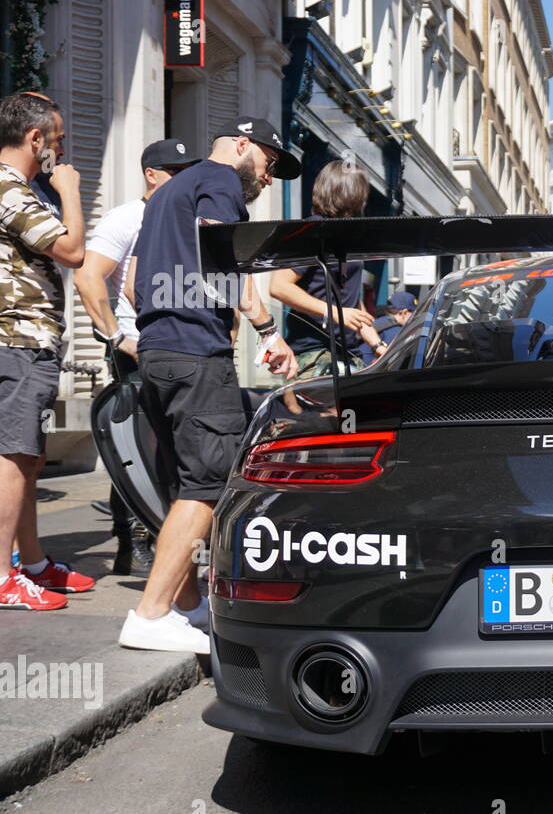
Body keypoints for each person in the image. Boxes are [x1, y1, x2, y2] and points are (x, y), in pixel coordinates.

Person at [118, 115, 300, 653]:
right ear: (242, 146)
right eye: (268, 163)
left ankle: (187, 604)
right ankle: (150, 615)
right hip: (196, 355)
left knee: (184, 483)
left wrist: (166, 316)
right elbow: (224, 257)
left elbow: (131, 283)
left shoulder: (166, 193)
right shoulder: (218, 181)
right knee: (209, 482)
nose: (268, 178)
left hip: (158, 351)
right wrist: (269, 330)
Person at [72, 138, 201, 576]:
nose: (186, 180)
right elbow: (89, 276)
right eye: (176, 172)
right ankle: (135, 539)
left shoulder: (187, 218)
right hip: (139, 349)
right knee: (140, 446)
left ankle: (161, 539)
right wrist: (118, 337)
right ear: (151, 174)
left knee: (174, 446)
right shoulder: (129, 216)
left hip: (182, 345)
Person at [0, 91, 96, 611]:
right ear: (35, 139)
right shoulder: (10, 188)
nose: (61, 152)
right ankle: (3, 577)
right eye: (57, 141)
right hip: (17, 339)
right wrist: (71, 191)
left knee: (27, 458)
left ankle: (32, 562)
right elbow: (73, 251)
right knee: (13, 458)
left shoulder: (17, 189)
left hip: (26, 341)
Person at [270, 159, 385, 377]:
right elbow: (279, 286)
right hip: (315, 355)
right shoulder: (309, 233)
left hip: (350, 355)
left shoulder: (344, 237)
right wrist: (334, 312)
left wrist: (378, 345)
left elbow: (350, 301)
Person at [357, 290, 416, 366]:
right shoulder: (396, 331)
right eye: (414, 313)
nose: (415, 317)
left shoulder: (380, 321)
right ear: (404, 312)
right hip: (367, 370)